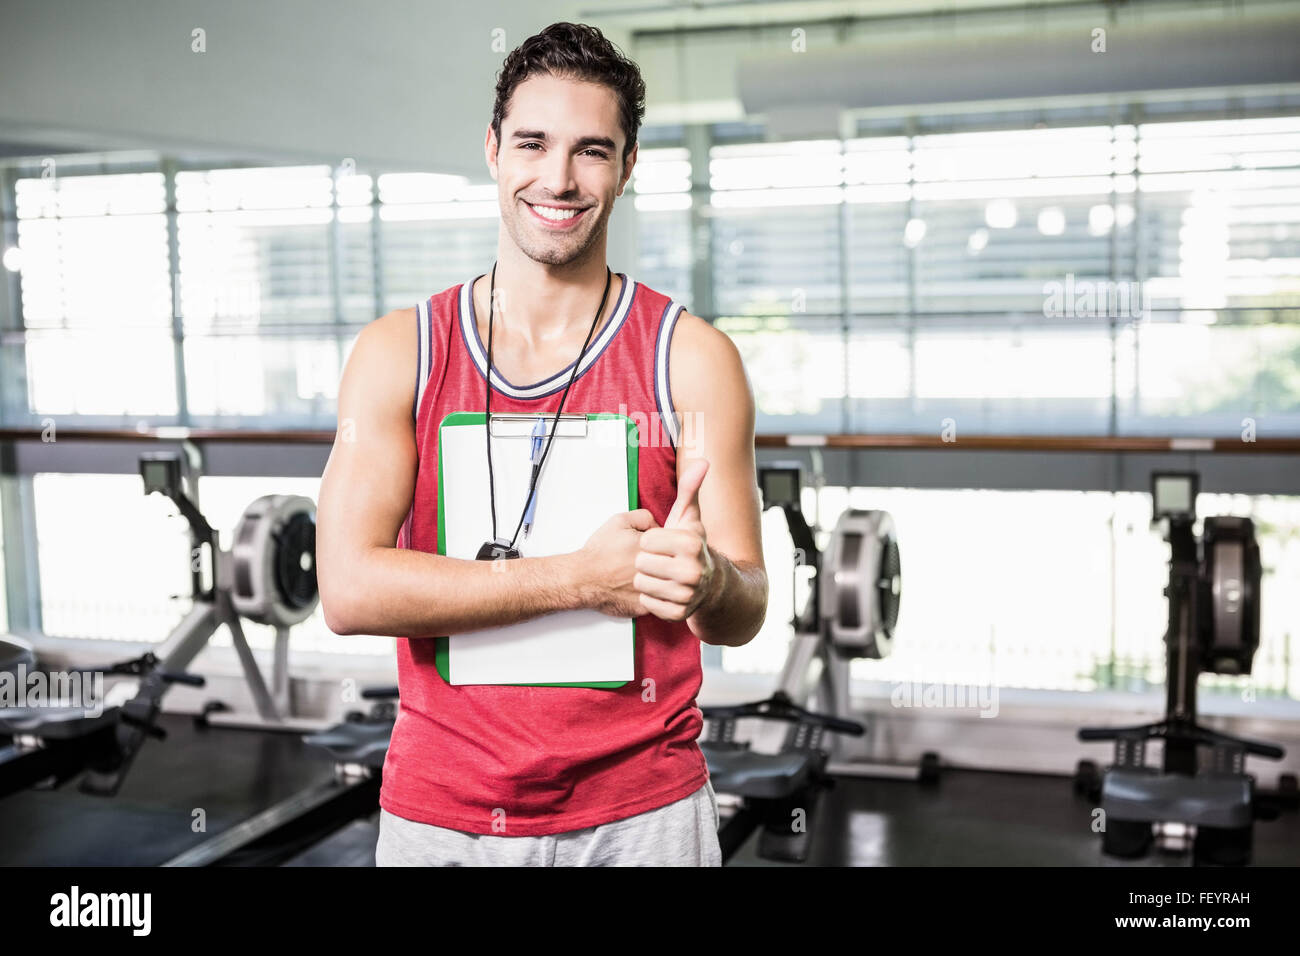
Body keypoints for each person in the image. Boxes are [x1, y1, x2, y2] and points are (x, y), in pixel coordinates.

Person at [317, 21, 767, 866]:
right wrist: (579, 579)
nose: (558, 179)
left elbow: (745, 605)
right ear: (493, 150)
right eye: (533, 142)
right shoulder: (399, 355)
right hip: (442, 810)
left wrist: (706, 582)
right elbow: (347, 589)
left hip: (644, 815)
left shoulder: (693, 360)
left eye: (592, 150)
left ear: (628, 167)